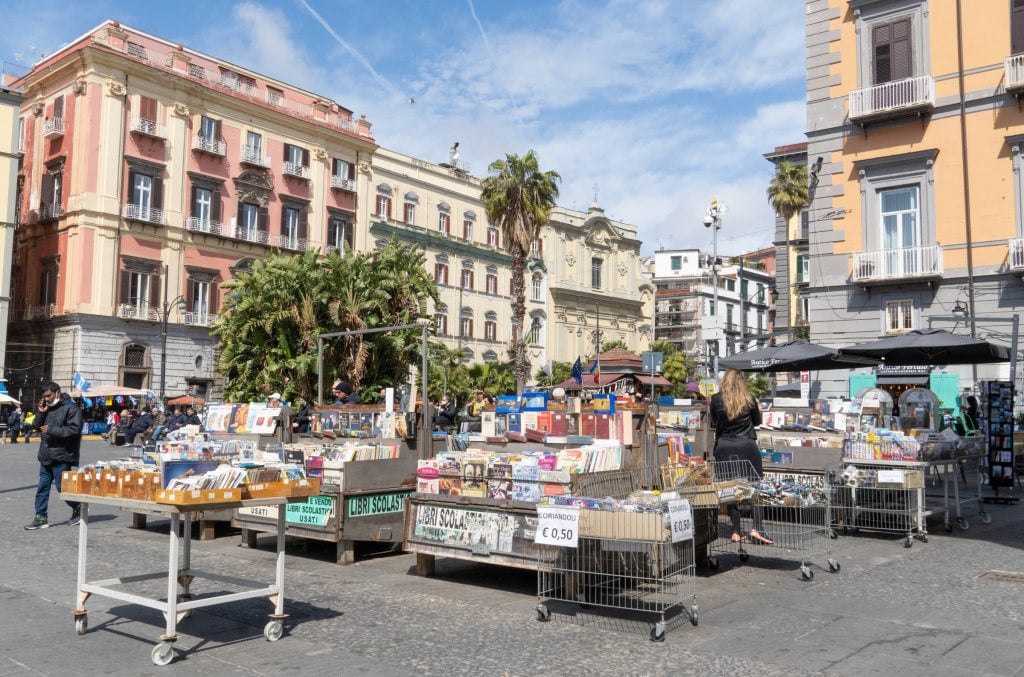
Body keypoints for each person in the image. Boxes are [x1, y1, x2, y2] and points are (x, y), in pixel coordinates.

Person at [710, 369, 773, 546]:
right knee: (755, 488)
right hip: (747, 446)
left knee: (731, 491)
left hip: (725, 446)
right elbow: (758, 421)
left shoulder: (716, 399)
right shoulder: (749, 398)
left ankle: (736, 531)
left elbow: (714, 421)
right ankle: (757, 528)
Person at [25, 382, 83, 530]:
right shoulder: (46, 408)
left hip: (62, 455)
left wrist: (52, 430)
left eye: (48, 395)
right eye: (44, 396)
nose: (46, 399)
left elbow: (74, 430)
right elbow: (35, 427)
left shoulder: (71, 408)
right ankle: (40, 517)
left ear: (57, 392)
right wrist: (40, 412)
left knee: (61, 487)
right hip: (45, 455)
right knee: (42, 488)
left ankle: (79, 508)